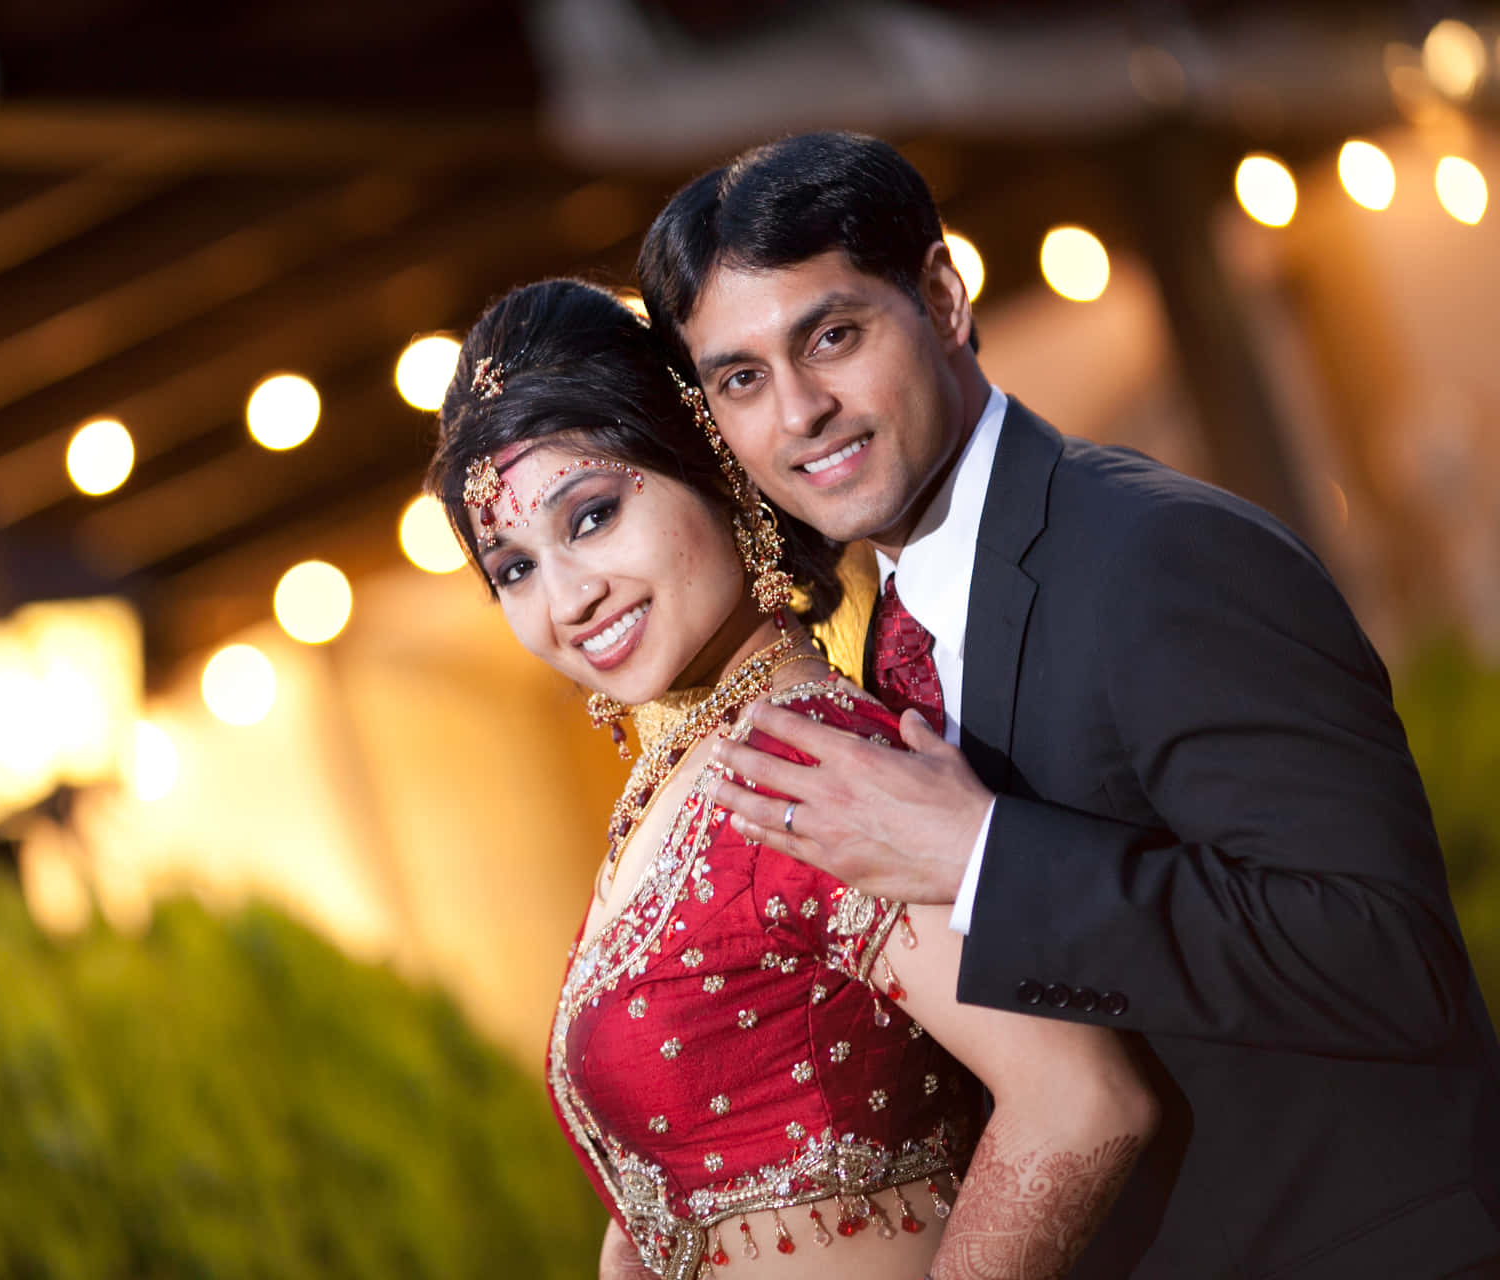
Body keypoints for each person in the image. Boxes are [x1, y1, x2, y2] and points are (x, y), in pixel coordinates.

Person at [633, 130, 1500, 1279]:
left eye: (832, 335)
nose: (799, 411)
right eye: (741, 378)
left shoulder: (1159, 552)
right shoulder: (887, 637)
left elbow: (1385, 956)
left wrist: (983, 850)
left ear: (942, 296)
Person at [427, 278, 1159, 1280]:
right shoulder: (681, 785)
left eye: (591, 516)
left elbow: (1080, 1100)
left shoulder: (814, 766)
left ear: (714, 463)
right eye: (512, 567)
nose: (569, 595)